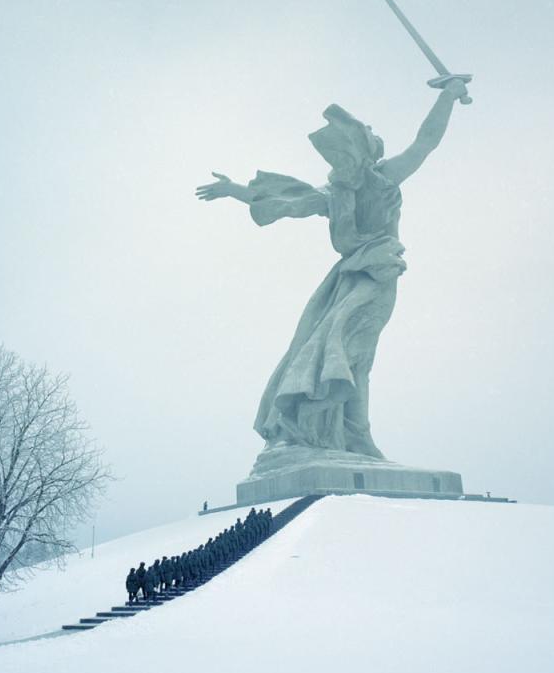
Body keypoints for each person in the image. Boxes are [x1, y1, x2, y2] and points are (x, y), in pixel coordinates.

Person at [196, 84, 465, 459]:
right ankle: (348, 434)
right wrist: (235, 190)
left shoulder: (382, 177)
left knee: (352, 353)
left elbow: (426, 141)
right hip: (350, 277)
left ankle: (353, 434)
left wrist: (447, 96)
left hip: (377, 274)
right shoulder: (338, 192)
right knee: (333, 351)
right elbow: (283, 202)